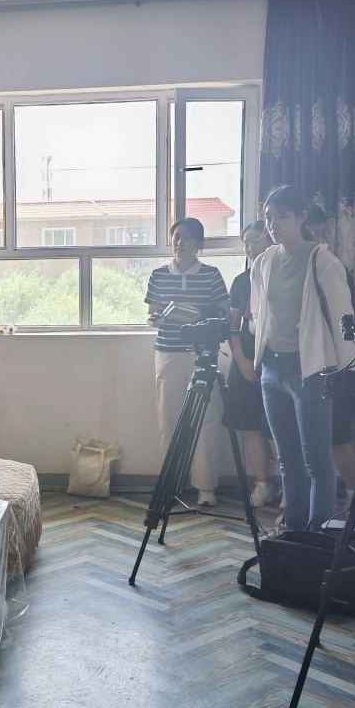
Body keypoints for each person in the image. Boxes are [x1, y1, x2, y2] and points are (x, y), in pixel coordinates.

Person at [249, 185, 354, 532]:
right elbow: (259, 314)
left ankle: (318, 534)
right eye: (269, 217)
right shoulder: (263, 261)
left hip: (309, 370)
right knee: (287, 458)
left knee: (317, 461)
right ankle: (293, 529)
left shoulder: (323, 262)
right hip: (271, 369)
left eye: (282, 216)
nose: (273, 224)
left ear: (302, 218)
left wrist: (347, 372)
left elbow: (344, 322)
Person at [146, 217, 232, 506]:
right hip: (168, 353)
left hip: (203, 354)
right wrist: (156, 319)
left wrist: (200, 315)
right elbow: (151, 314)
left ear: (199, 243)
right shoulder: (159, 274)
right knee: (168, 420)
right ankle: (169, 485)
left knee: (207, 421)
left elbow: (225, 314)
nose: (180, 242)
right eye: (176, 236)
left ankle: (206, 487)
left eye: (187, 237)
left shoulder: (211, 274)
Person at [305, 204, 355, 503]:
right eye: (309, 233)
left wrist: (347, 372)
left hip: (334, 368)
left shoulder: (331, 266)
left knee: (338, 440)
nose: (315, 239)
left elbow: (347, 325)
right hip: (303, 369)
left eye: (318, 233)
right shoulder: (287, 265)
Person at [225, 221, 277, 508]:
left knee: (278, 426)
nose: (250, 247)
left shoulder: (282, 272)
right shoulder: (241, 281)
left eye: (255, 240)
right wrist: (241, 359)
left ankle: (290, 487)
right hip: (245, 358)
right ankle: (262, 484)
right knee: (251, 425)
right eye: (246, 242)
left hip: (276, 359)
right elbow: (233, 326)